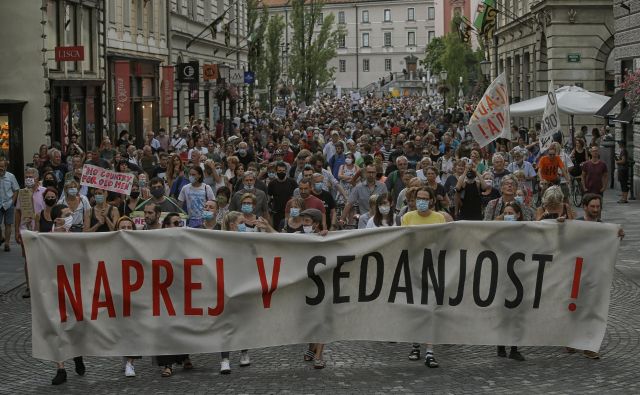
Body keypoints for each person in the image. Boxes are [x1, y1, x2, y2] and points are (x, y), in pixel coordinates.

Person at [401, 187, 444, 368]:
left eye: (425, 198)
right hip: (413, 267)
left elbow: (443, 242)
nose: (422, 201)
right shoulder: (407, 217)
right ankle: (415, 345)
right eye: (419, 198)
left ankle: (430, 352)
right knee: (415, 308)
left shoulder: (439, 218)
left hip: (433, 267)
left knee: (431, 309)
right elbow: (403, 241)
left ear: (432, 201)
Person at [49, 203, 86, 385]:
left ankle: (77, 355)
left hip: (74, 287)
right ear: (57, 219)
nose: (71, 216)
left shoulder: (75, 237)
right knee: (57, 328)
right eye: (67, 214)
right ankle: (60, 368)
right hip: (54, 288)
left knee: (74, 325)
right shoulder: (47, 238)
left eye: (71, 214)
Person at [218, 211, 254, 374]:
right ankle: (225, 358)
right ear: (232, 225)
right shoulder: (221, 241)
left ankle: (244, 352)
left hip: (244, 284)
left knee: (244, 320)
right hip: (226, 285)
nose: (244, 224)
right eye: (241, 221)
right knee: (226, 323)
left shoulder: (246, 239)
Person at [299, 208, 329, 369]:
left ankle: (319, 355)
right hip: (305, 286)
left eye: (307, 222)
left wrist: (328, 237)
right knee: (310, 319)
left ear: (316, 224)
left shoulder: (325, 238)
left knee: (321, 319)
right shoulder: (298, 237)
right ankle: (312, 348)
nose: (304, 224)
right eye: (303, 221)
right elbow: (277, 238)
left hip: (323, 287)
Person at [14, 167, 46, 298]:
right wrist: (16, 231)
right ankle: (29, 286)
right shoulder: (22, 193)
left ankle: (42, 285)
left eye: (31, 176)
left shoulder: (44, 192)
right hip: (25, 230)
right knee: (28, 259)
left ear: (37, 178)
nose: (28, 179)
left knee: (42, 259)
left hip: (40, 230)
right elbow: (17, 212)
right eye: (26, 176)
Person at [267, 161, 298, 231]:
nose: (281, 172)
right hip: (277, 214)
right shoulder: (272, 184)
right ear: (276, 171)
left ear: (286, 171)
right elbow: (268, 199)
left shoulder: (292, 182)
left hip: (290, 213)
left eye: (283, 171)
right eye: (279, 171)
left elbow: (297, 198)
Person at [0, 159, 20, 251]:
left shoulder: (11, 176)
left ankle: (7, 243)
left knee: (8, 224)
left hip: (9, 203)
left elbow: (16, 189)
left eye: (2, 166)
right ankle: (1, 237)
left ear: (6, 167)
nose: (1, 168)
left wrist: (13, 202)